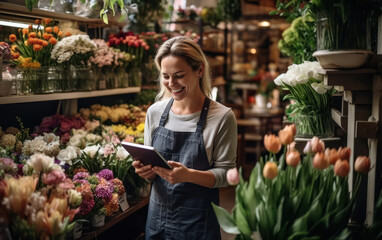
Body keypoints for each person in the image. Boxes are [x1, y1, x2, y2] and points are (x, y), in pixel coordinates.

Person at [132, 36, 237, 240]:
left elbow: (226, 176)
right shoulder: (154, 112)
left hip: (198, 225)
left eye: (179, 75)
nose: (171, 84)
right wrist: (144, 171)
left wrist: (187, 175)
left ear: (199, 70)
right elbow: (150, 167)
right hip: (157, 222)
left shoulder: (222, 117)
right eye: (165, 76)